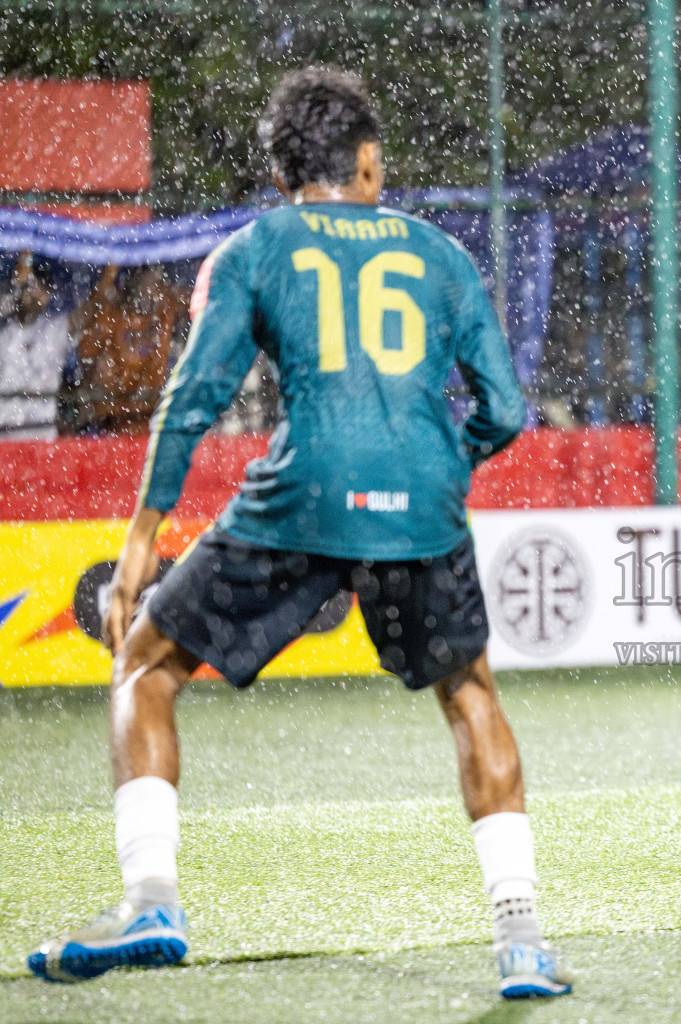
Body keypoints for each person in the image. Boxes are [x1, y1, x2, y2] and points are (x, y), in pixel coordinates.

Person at [29, 68, 572, 999]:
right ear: (367, 163)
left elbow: (193, 397)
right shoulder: (442, 255)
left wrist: (140, 540)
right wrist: (434, 464)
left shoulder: (252, 248)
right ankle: (521, 939)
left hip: (301, 491)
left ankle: (153, 898)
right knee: (467, 691)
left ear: (284, 176)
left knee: (146, 664)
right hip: (424, 502)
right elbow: (509, 409)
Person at [59, 263, 189, 436]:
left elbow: (204, 298)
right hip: (112, 419)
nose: (148, 294)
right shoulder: (109, 312)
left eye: (154, 286)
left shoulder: (165, 302)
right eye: (142, 286)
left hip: (151, 416)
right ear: (129, 283)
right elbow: (86, 361)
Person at [0, 252, 73, 438]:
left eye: (43, 290)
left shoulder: (55, 329)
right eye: (32, 287)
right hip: (4, 436)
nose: (36, 294)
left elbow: (93, 307)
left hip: (41, 437)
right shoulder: (4, 327)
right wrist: (26, 251)